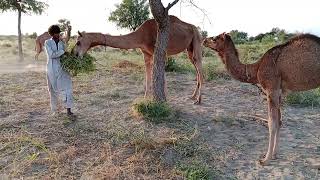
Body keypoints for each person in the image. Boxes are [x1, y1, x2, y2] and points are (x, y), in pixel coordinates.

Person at [44, 25, 74, 116]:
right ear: (52, 34)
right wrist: (63, 52)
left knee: (68, 87)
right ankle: (55, 110)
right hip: (51, 68)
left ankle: (69, 110)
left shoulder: (62, 42)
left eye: (59, 33)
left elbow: (67, 39)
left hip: (62, 68)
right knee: (52, 90)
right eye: (56, 33)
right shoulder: (47, 43)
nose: (58, 35)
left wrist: (69, 30)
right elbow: (51, 55)